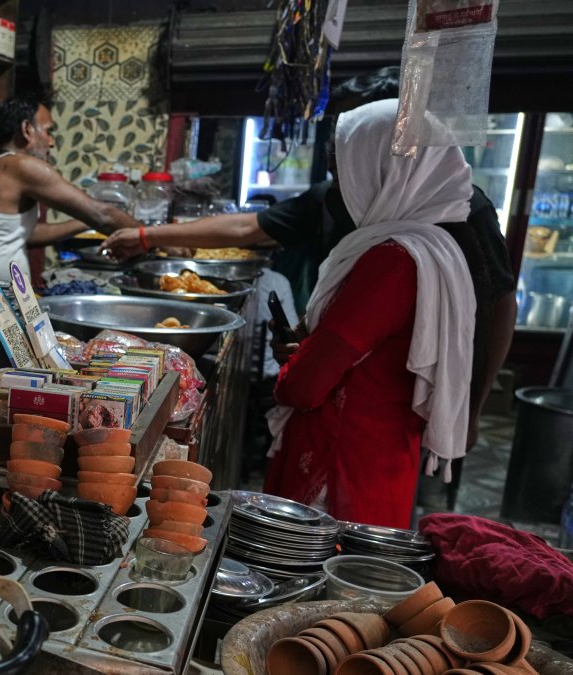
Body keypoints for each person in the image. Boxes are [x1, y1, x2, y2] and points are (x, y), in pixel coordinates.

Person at [103, 68, 516, 468]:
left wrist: (469, 407)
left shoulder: (430, 231)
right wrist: (147, 236)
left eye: (350, 136)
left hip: (374, 419)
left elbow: (498, 306)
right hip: (353, 405)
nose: (337, 157)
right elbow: (251, 227)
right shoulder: (348, 200)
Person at [263, 99, 476, 528]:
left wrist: (293, 367)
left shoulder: (392, 262)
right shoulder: (436, 247)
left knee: (322, 589)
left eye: (346, 177)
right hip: (379, 458)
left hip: (341, 470)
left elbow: (306, 386)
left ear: (385, 173)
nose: (342, 193)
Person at [0, 91, 144, 281]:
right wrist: (155, 239)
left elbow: (28, 234)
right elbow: (103, 214)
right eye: (49, 131)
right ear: (27, 129)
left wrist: (85, 223)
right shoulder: (20, 166)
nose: (51, 143)